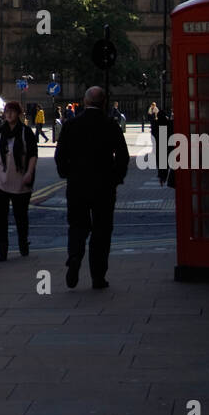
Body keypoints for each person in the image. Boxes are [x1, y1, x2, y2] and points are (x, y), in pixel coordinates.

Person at [54, 85, 129, 290]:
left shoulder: (71, 124)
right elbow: (123, 156)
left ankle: (75, 257)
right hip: (104, 187)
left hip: (77, 185)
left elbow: (60, 155)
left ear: (85, 102)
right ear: (104, 103)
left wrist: (67, 174)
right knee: (102, 231)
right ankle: (98, 277)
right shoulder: (110, 124)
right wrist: (116, 177)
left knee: (77, 226)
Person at [0, 100, 37, 261]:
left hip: (20, 180)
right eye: (6, 111)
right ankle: (2, 250)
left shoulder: (25, 132)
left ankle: (23, 244)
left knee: (20, 216)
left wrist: (29, 172)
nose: (8, 114)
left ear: (18, 114)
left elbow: (32, 155)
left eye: (12, 111)